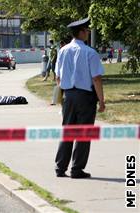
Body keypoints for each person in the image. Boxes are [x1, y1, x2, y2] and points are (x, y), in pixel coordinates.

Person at [54, 17, 106, 179]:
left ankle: (60, 167)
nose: (88, 33)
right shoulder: (90, 52)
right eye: (87, 30)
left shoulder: (62, 51)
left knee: (68, 131)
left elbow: (58, 77)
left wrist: (62, 95)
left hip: (68, 96)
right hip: (85, 97)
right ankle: (77, 169)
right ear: (82, 32)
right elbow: (96, 78)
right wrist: (102, 101)